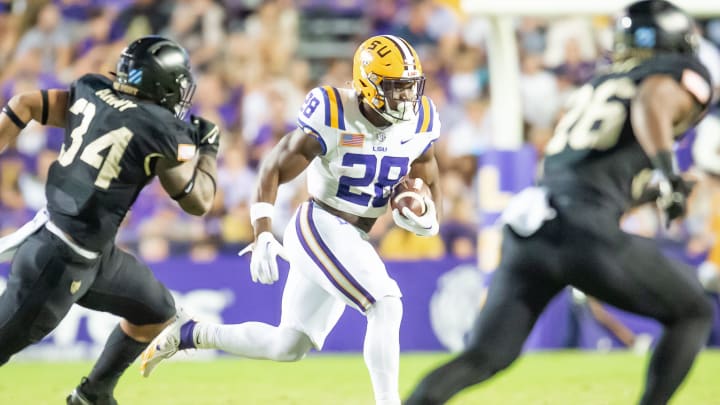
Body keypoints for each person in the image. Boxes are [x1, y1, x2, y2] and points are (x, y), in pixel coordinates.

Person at [406, 1, 715, 404]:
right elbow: (651, 102)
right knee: (693, 312)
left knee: (485, 355)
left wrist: (653, 190)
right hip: (581, 230)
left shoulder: (599, 84)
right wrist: (666, 172)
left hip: (534, 226)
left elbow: (590, 172)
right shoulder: (672, 77)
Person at [140, 34, 442, 405]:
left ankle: (191, 332)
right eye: (396, 88)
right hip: (322, 222)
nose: (406, 98)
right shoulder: (334, 112)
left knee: (289, 345)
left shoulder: (421, 120)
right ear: (369, 84)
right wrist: (263, 229)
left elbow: (427, 171)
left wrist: (427, 214)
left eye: (410, 87)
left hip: (355, 236)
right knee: (385, 302)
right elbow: (274, 166)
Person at [0, 35, 220, 405]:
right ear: (161, 83)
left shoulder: (92, 89)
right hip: (58, 262)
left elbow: (23, 104)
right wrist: (209, 149)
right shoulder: (159, 130)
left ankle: (93, 394)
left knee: (154, 312)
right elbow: (199, 201)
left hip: (93, 253)